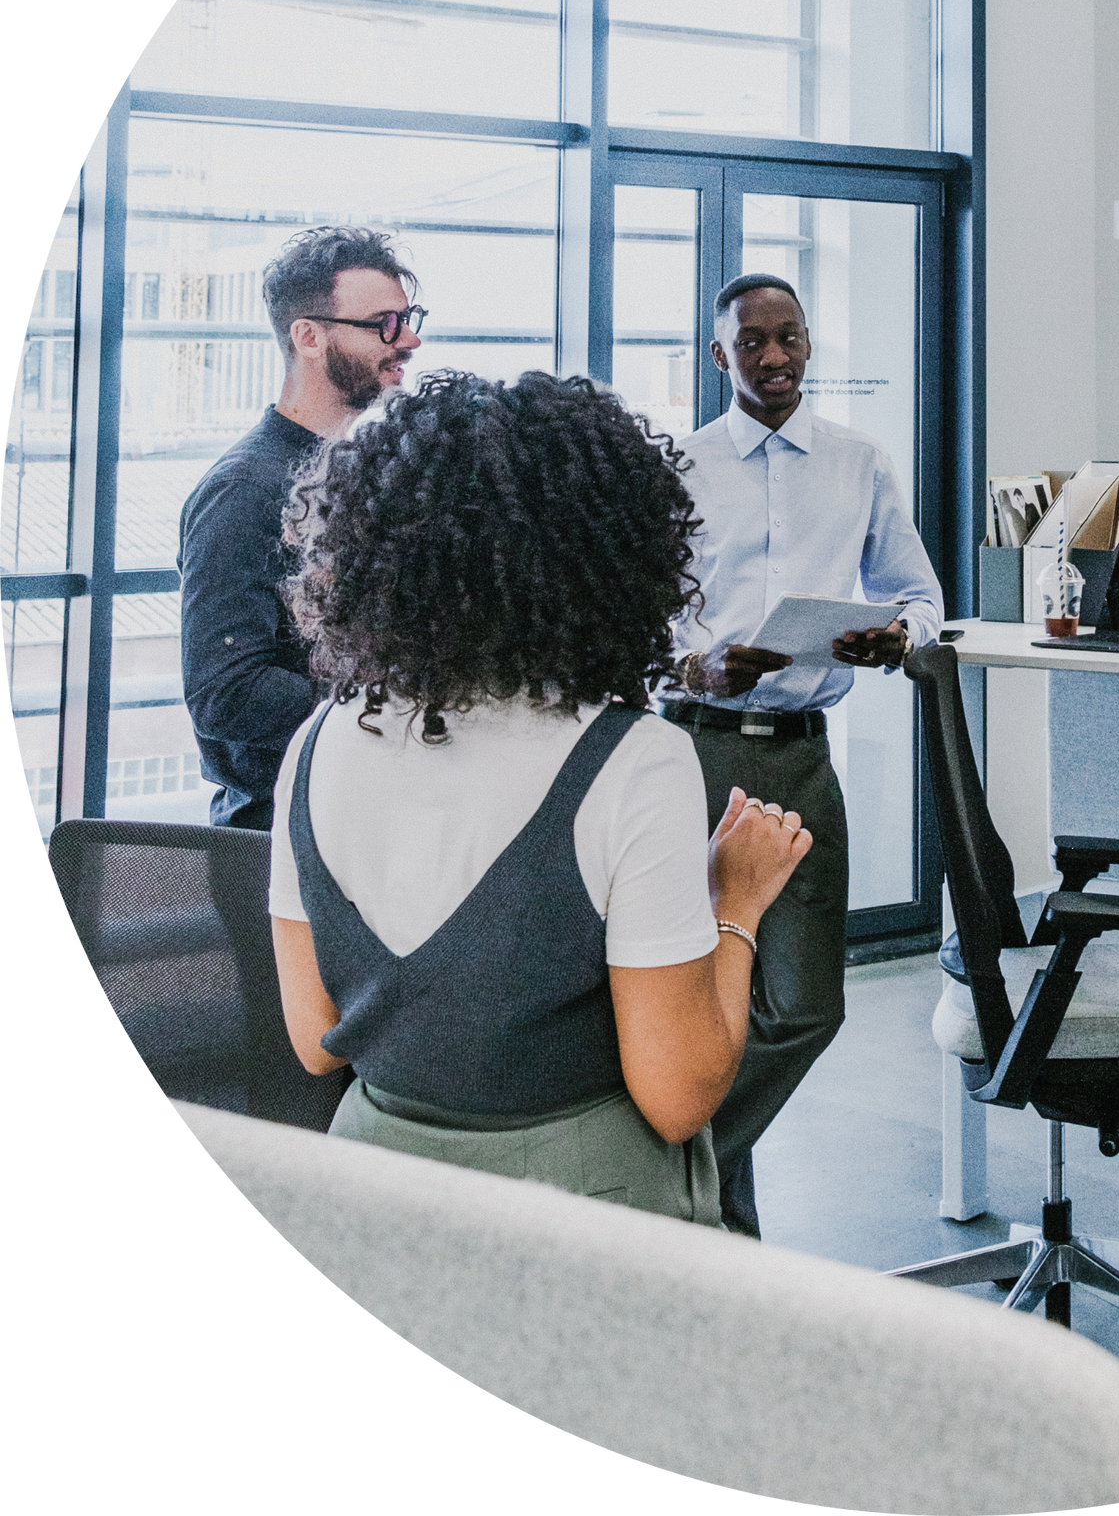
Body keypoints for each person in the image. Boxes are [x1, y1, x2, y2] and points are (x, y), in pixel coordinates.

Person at [265, 371, 812, 1225]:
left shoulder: (315, 744)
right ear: (609, 558)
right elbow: (679, 1094)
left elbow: (314, 1039)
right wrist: (733, 904)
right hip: (574, 1230)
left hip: (362, 1209)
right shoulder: (634, 760)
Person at [665, 272, 944, 1237]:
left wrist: (895, 637)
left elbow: (918, 593)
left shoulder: (858, 462)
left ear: (811, 346)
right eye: (752, 343)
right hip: (693, 760)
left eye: (790, 338)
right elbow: (639, 619)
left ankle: (674, 1172)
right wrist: (696, 666)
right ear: (720, 357)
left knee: (805, 1008)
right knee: (696, 999)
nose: (775, 357)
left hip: (801, 761)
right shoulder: (681, 467)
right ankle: (721, 1229)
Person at [179, 226, 425, 831]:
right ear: (308, 337)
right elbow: (227, 693)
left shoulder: (364, 468)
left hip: (358, 817)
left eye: (410, 318)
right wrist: (401, 707)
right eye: (385, 323)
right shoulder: (245, 489)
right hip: (279, 836)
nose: (410, 339)